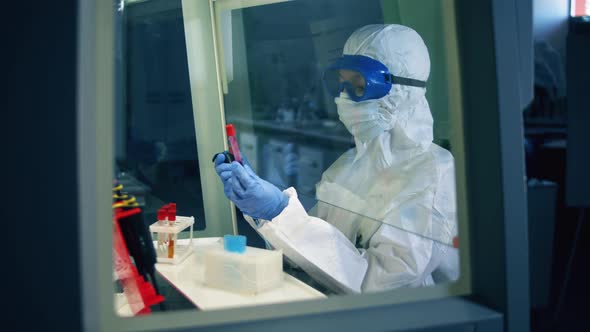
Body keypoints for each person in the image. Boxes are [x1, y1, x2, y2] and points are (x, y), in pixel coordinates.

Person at [214, 24, 459, 294]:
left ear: (401, 90)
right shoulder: (346, 166)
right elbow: (314, 256)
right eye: (341, 84)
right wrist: (268, 214)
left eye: (358, 86)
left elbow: (381, 286)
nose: (343, 98)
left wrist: (280, 212)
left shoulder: (433, 174)